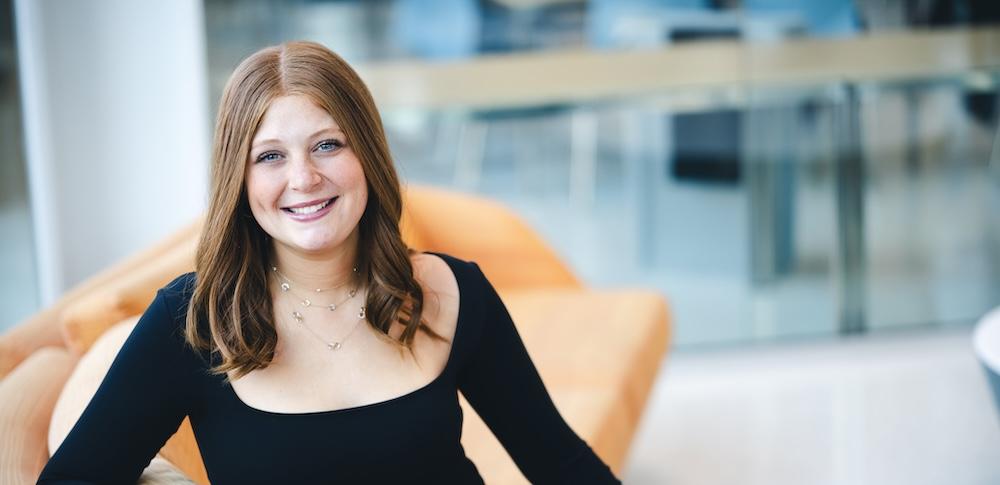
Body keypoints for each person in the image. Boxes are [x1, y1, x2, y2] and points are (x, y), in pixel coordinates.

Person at [38, 41, 620, 484]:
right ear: (239, 183)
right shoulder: (194, 320)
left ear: (366, 152)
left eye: (327, 144)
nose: (304, 178)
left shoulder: (450, 289)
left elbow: (562, 463)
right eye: (270, 156)